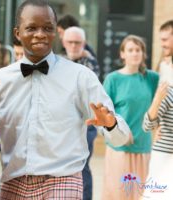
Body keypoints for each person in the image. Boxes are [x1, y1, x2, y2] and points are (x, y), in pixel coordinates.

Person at [0, 1, 131, 199]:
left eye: (47, 28)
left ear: (55, 32)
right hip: (13, 184)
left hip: (62, 181)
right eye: (31, 28)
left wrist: (110, 124)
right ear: (17, 33)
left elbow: (122, 139)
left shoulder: (80, 77)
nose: (40, 34)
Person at [101, 35, 159, 200]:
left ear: (143, 53)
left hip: (143, 148)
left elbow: (161, 109)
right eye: (130, 50)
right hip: (119, 149)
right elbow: (104, 115)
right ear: (122, 54)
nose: (135, 53)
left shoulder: (152, 78)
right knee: (118, 194)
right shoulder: (113, 79)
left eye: (138, 50)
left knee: (141, 195)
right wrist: (121, 133)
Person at [62, 26, 100, 200]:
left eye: (78, 42)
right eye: (70, 42)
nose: (74, 46)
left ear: (84, 44)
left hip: (86, 125)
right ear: (64, 42)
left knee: (82, 166)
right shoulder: (58, 62)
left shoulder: (90, 64)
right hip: (64, 125)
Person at [141, 19, 173, 200]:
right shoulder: (164, 68)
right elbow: (149, 122)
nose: (162, 44)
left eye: (165, 39)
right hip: (165, 150)